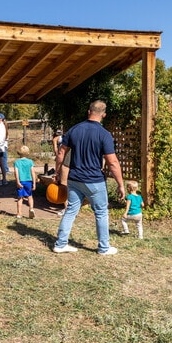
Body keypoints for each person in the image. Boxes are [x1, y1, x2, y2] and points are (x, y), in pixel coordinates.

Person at [52, 100, 125, 255]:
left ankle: (60, 244)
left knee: (70, 210)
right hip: (94, 180)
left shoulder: (74, 130)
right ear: (103, 114)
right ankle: (104, 248)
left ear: (88, 111)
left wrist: (57, 172)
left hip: (74, 178)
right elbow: (112, 162)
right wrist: (120, 184)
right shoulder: (104, 134)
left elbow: (60, 153)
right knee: (101, 212)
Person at [13, 145, 36, 219]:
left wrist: (17, 182)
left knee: (20, 198)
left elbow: (16, 173)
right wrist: (34, 183)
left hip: (21, 181)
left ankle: (19, 213)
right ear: (28, 153)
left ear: (19, 153)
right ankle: (31, 209)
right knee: (30, 196)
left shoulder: (17, 162)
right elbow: (33, 172)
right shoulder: (30, 162)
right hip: (29, 181)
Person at [52, 129, 70, 216]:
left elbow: (59, 153)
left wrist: (57, 172)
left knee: (64, 186)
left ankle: (67, 209)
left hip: (65, 164)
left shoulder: (61, 140)